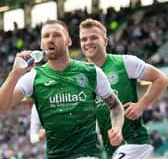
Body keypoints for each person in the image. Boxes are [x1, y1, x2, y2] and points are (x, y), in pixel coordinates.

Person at [0, 20, 124, 159]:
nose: (51, 39)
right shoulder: (34, 77)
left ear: (68, 41)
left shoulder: (92, 72)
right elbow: (2, 107)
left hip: (88, 154)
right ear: (41, 44)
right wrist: (15, 73)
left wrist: (117, 128)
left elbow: (115, 106)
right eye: (46, 36)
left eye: (57, 35)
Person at [79, 18, 168, 158]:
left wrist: (141, 105)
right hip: (111, 149)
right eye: (84, 39)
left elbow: (161, 79)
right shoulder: (83, 76)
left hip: (134, 143)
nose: (88, 42)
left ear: (105, 41)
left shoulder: (125, 63)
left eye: (93, 38)